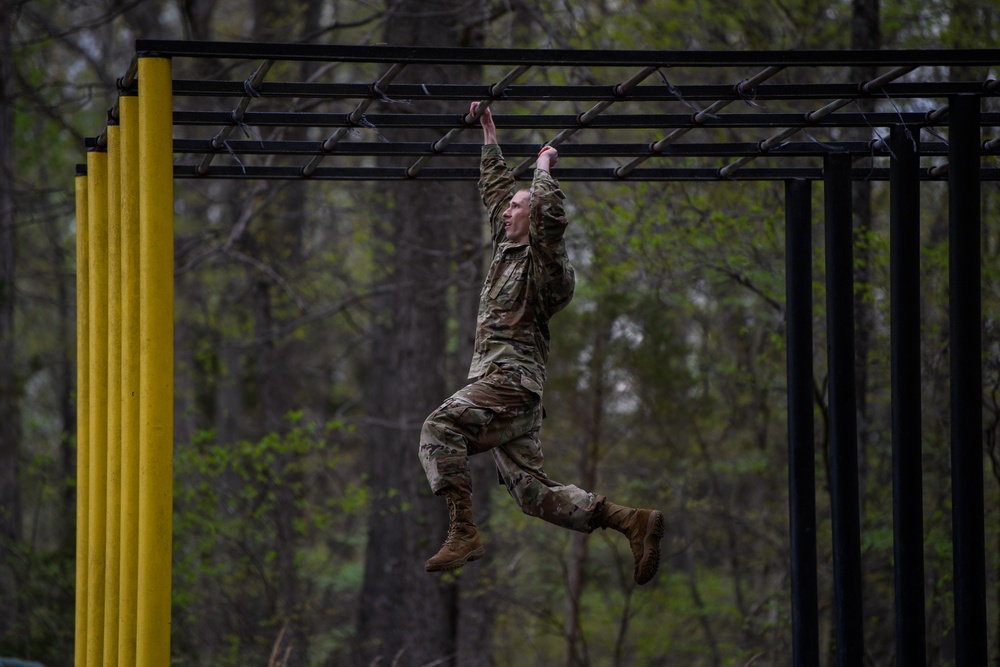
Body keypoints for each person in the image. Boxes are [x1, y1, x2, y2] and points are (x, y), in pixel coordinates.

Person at [417, 102, 665, 585]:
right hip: (510, 393)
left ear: (536, 217)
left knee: (439, 428)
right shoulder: (507, 249)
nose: (507, 210)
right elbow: (494, 193)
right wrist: (489, 134)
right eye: (509, 206)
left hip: (510, 384)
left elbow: (549, 217)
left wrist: (544, 169)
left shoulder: (546, 267)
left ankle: (463, 531)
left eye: (518, 206)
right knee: (531, 494)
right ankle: (631, 521)